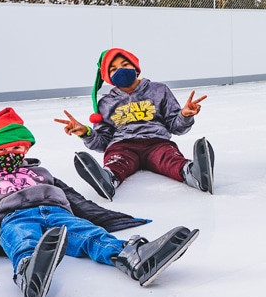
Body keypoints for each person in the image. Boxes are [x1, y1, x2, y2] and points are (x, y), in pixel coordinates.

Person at [0, 107, 198, 297]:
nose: (10, 154)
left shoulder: (40, 171)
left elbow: (73, 197)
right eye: (2, 150)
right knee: (22, 240)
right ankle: (29, 271)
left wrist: (102, 215)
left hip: (58, 212)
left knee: (91, 235)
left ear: (26, 149)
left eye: (16, 148)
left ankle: (133, 258)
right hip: (14, 217)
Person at [56, 48, 213, 200]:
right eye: (113, 69)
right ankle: (107, 179)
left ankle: (194, 173)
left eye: (125, 65)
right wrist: (86, 132)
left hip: (157, 143)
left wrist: (184, 115)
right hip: (122, 146)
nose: (121, 70)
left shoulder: (159, 90)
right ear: (108, 77)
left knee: (170, 158)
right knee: (117, 161)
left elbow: (175, 127)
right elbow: (102, 142)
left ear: (135, 68)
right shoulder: (106, 103)